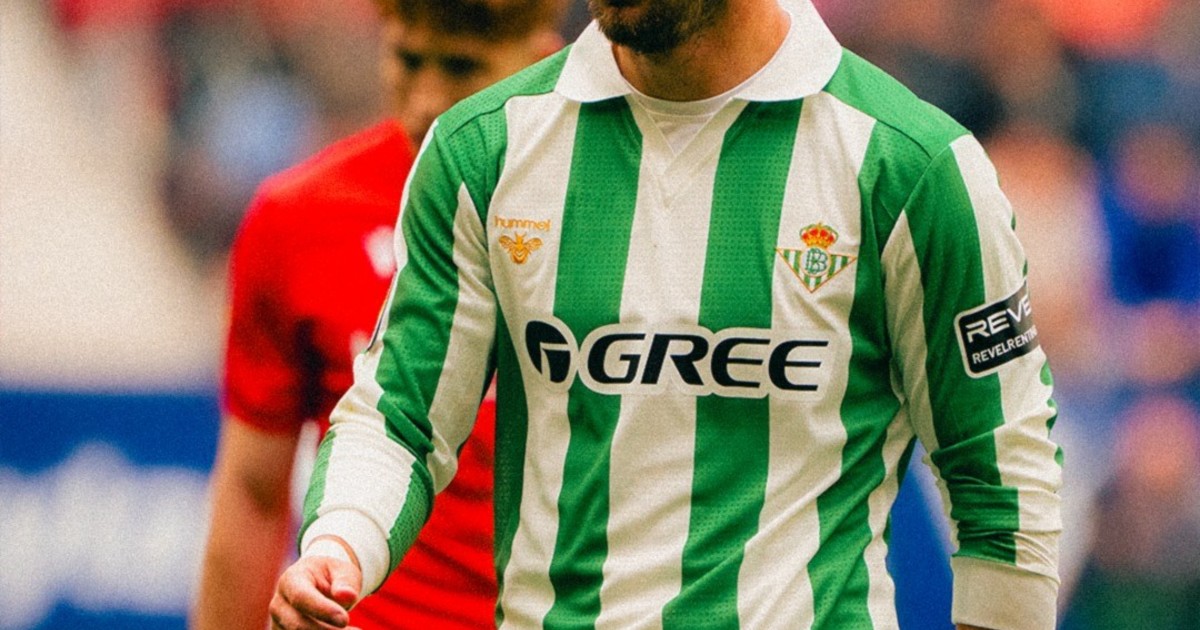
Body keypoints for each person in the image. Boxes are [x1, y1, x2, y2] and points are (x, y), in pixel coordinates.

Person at [271, 0, 1063, 628]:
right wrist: (340, 544)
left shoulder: (911, 166)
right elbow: (401, 417)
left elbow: (1004, 481)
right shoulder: (486, 147)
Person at [191, 1, 563, 628]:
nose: (427, 100)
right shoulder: (298, 219)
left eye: (462, 67)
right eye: (408, 60)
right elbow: (253, 496)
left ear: (543, 60)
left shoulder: (608, 212)